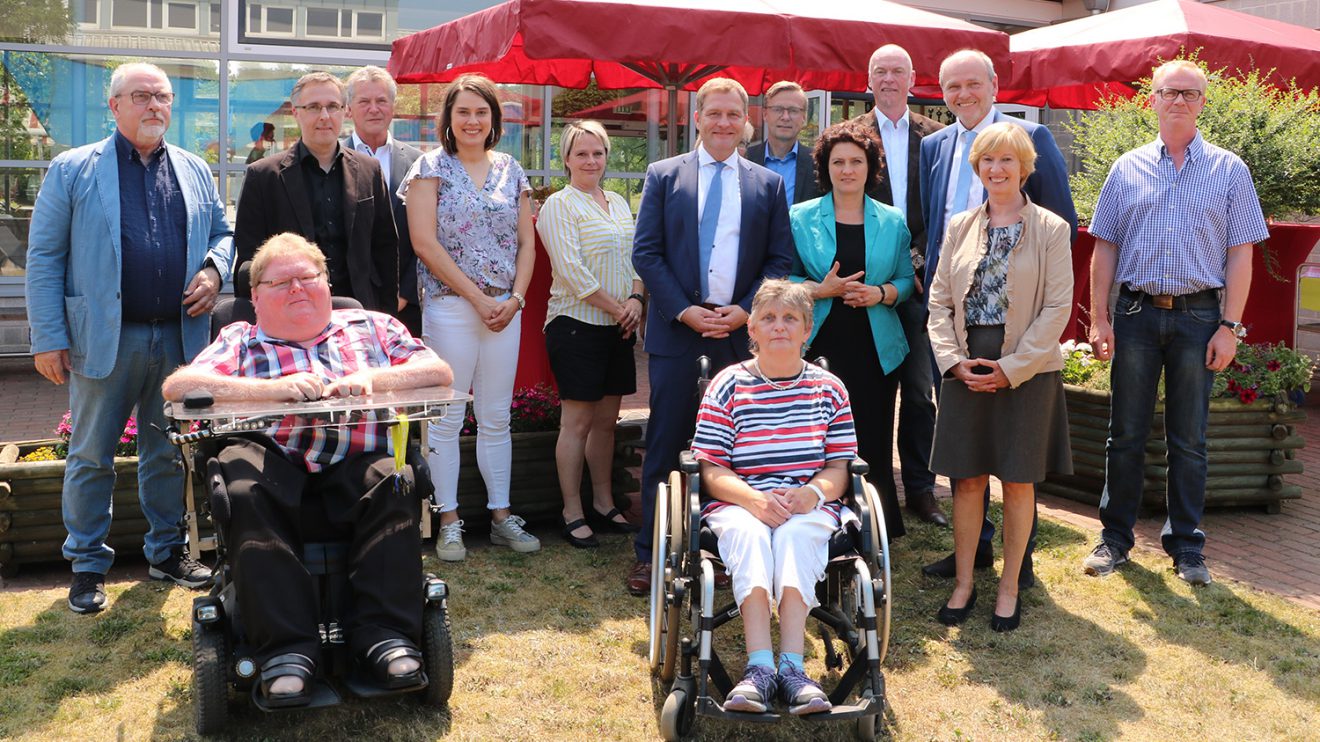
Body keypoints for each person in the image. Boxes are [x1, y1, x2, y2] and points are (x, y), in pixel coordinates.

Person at [161, 233, 453, 707]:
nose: (297, 288)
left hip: (357, 462)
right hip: (272, 466)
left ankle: (383, 638)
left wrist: (370, 380)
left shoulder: (373, 326)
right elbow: (178, 387)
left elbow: (439, 373)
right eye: (281, 282)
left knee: (396, 478)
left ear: (326, 282)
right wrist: (270, 390)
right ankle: (285, 651)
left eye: (307, 277)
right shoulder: (240, 338)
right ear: (255, 297)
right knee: (239, 482)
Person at [25, 62, 233, 614]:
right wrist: (48, 336)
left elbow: (222, 231)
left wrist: (214, 270)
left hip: (177, 339)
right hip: (105, 340)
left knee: (165, 454)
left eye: (162, 97)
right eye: (141, 96)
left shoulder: (193, 168)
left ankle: (166, 552)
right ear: (114, 105)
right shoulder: (73, 169)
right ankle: (87, 565)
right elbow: (44, 256)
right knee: (90, 456)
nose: (154, 106)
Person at [1082, 60, 1269, 587]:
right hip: (1136, 313)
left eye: (1190, 93)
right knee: (1125, 434)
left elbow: (1240, 254)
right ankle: (1114, 539)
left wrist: (1230, 326)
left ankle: (1187, 546)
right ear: (1154, 100)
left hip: (1200, 316)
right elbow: (1105, 247)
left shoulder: (1230, 170)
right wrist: (1100, 318)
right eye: (1170, 92)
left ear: (1204, 102)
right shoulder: (1126, 168)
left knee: (1190, 438)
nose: (1179, 101)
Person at [629, 76, 795, 597]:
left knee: (731, 452)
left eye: (733, 114)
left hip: (735, 338)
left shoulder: (766, 184)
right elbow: (646, 253)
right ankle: (651, 554)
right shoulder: (662, 175)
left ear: (746, 121)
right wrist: (683, 311)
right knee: (665, 444)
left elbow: (780, 260)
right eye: (714, 113)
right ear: (697, 118)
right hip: (679, 334)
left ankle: (720, 551)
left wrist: (745, 312)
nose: (724, 123)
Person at [918, 49, 1078, 584]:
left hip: (1022, 337)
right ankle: (973, 556)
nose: (963, 94)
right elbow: (931, 228)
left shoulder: (1034, 139)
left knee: (1016, 466)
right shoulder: (935, 146)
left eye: (972, 83)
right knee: (969, 463)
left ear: (992, 84)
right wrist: (950, 354)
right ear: (941, 92)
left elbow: (1061, 231)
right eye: (952, 86)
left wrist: (1018, 360)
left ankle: (1018, 563)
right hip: (963, 339)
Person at [692, 279, 855, 716]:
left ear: (807, 329)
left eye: (790, 318)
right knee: (748, 535)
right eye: (768, 318)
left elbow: (840, 466)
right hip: (740, 501)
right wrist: (754, 501)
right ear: (753, 330)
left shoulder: (830, 389)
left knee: (795, 537)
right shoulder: (727, 385)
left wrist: (811, 494)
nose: (779, 327)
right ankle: (760, 668)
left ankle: (794, 669)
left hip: (808, 501)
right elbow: (710, 468)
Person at [399, 72, 540, 561]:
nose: (473, 120)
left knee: (497, 415)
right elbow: (424, 243)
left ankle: (501, 516)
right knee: (446, 418)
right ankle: (449, 519)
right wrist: (477, 298)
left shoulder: (511, 169)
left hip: (506, 308)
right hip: (452, 308)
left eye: (482, 112)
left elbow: (527, 243)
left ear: (494, 119)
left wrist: (516, 299)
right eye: (463, 112)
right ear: (449, 120)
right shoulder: (429, 168)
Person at [789, 121, 913, 539]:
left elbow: (907, 281)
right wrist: (817, 289)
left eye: (856, 161)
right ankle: (820, 521)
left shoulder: (893, 220)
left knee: (873, 433)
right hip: (818, 344)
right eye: (837, 161)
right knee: (818, 437)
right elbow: (780, 277)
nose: (847, 169)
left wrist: (879, 293)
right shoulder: (800, 216)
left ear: (870, 167)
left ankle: (876, 524)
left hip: (876, 346)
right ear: (825, 167)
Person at [848, 44, 947, 528]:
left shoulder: (937, 137)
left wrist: (919, 261)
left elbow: (943, 207)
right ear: (869, 79)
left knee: (919, 389)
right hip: (865, 285)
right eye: (880, 71)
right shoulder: (850, 136)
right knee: (868, 388)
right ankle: (867, 484)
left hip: (922, 282)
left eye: (898, 72)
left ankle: (922, 489)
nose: (889, 79)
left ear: (913, 79)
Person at [536, 121, 643, 548]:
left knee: (605, 423)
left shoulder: (617, 201)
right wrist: (621, 308)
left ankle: (603, 503)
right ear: (565, 160)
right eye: (581, 154)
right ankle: (571, 510)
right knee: (577, 423)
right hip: (576, 326)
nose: (591, 161)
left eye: (597, 153)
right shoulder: (559, 206)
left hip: (618, 325)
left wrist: (637, 298)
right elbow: (571, 272)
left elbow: (638, 255)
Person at [234, 71, 398, 313]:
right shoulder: (263, 176)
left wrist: (385, 314)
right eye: (313, 107)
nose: (324, 116)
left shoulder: (369, 170)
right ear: (296, 112)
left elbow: (386, 250)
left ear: (345, 111)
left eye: (332, 106)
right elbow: (250, 260)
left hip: (358, 310)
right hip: (290, 311)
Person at [344, 65, 426, 338]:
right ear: (349, 109)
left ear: (393, 106)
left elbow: (431, 233)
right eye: (364, 101)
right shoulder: (330, 160)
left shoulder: (419, 163)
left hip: (407, 306)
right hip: (346, 305)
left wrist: (405, 291)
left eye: (381, 101)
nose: (374, 109)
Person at [745, 80, 819, 205]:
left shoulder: (818, 163)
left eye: (793, 110)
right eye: (777, 109)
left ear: (804, 117)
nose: (785, 117)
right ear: (765, 114)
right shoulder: (745, 159)